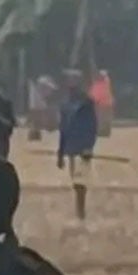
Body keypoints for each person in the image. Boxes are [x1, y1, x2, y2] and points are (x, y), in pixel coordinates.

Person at [57, 71, 98, 223]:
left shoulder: (87, 102)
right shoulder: (65, 104)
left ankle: (81, 210)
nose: (71, 84)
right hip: (71, 147)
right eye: (69, 81)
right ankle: (78, 208)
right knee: (75, 180)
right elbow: (63, 129)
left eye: (74, 81)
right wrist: (60, 154)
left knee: (81, 181)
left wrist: (89, 146)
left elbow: (92, 126)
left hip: (83, 147)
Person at [27, 75, 58, 141]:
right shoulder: (36, 97)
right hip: (38, 104)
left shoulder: (39, 98)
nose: (50, 92)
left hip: (39, 104)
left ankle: (35, 133)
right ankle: (34, 134)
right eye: (47, 89)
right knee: (38, 115)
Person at [89, 70, 114, 138]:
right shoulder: (105, 82)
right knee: (103, 119)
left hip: (102, 104)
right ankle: (104, 132)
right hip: (106, 103)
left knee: (102, 118)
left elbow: (94, 95)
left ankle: (104, 132)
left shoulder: (100, 84)